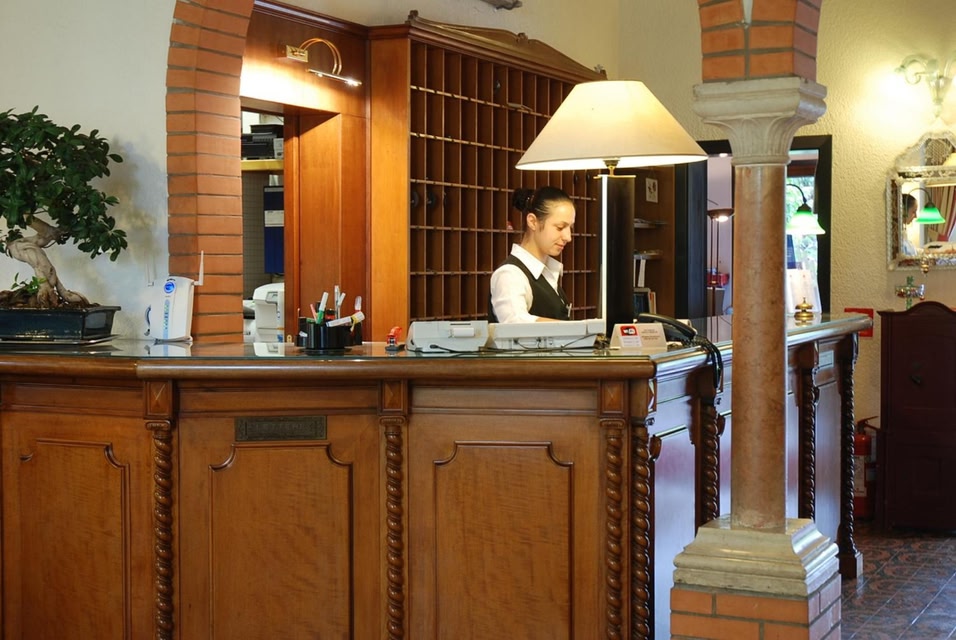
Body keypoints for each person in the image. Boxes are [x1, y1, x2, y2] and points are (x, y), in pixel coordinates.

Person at [488, 186, 574, 323]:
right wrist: (577, 328)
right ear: (533, 222)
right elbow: (515, 322)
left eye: (570, 228)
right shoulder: (510, 274)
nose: (568, 237)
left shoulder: (548, 273)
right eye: (560, 227)